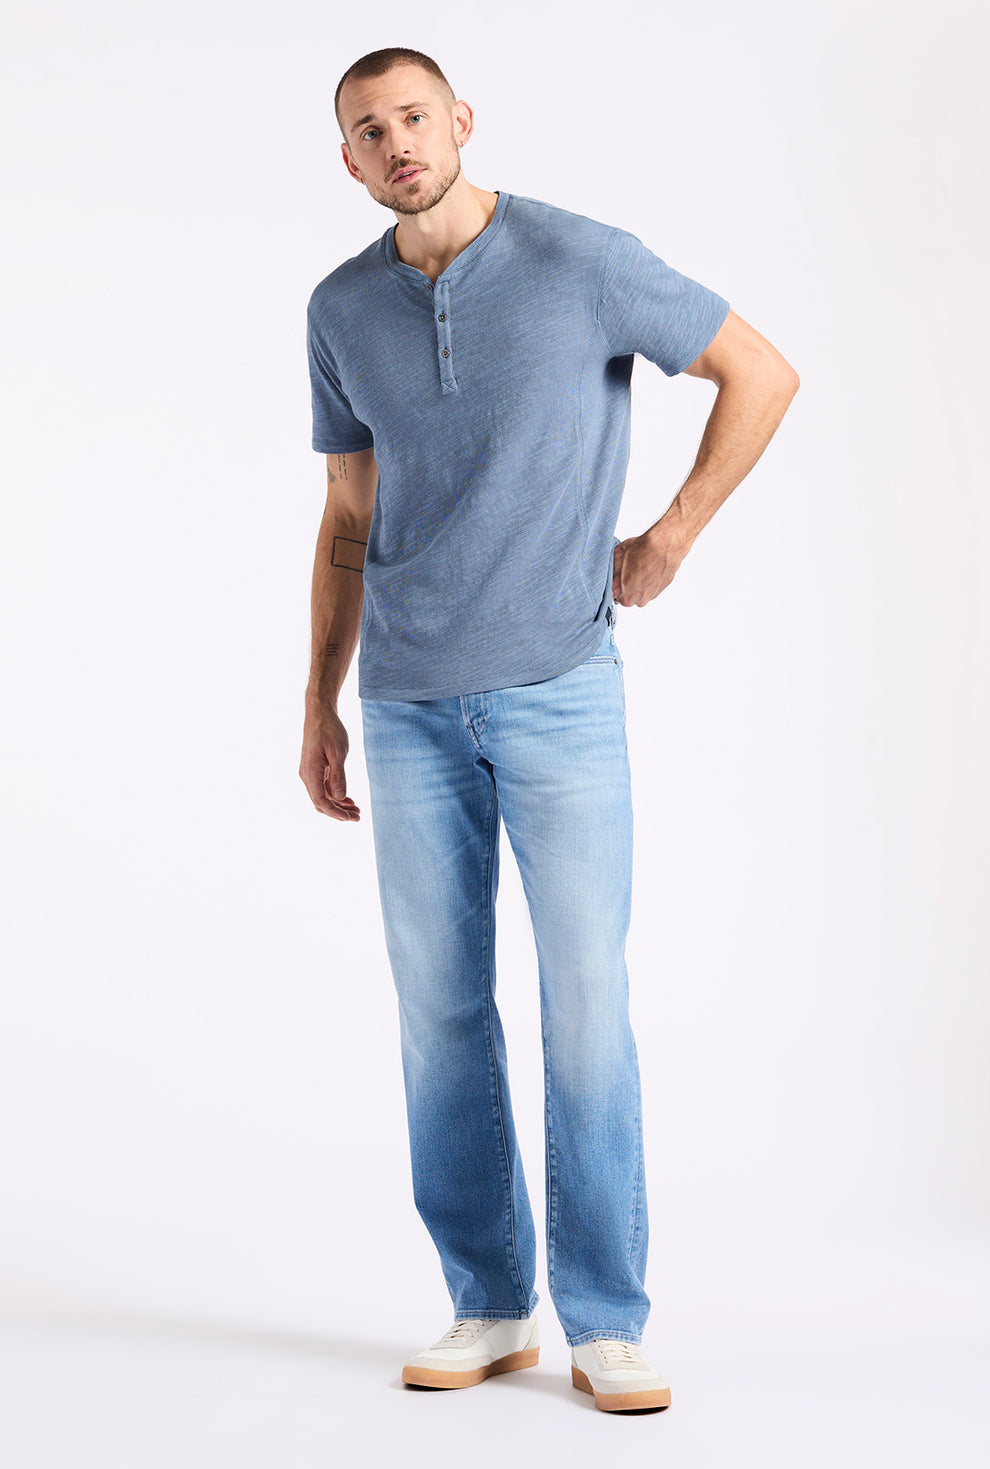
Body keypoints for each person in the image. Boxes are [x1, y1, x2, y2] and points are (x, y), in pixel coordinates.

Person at [299, 46, 799, 1414]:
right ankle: (488, 1301)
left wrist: (671, 537)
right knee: (439, 1013)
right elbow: (347, 513)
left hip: (560, 688)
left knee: (585, 1004)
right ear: (348, 160)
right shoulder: (339, 308)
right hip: (405, 703)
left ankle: (608, 1317)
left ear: (461, 119)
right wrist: (318, 699)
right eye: (368, 131)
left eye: (414, 116)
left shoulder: (582, 260)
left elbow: (760, 372)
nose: (397, 144)